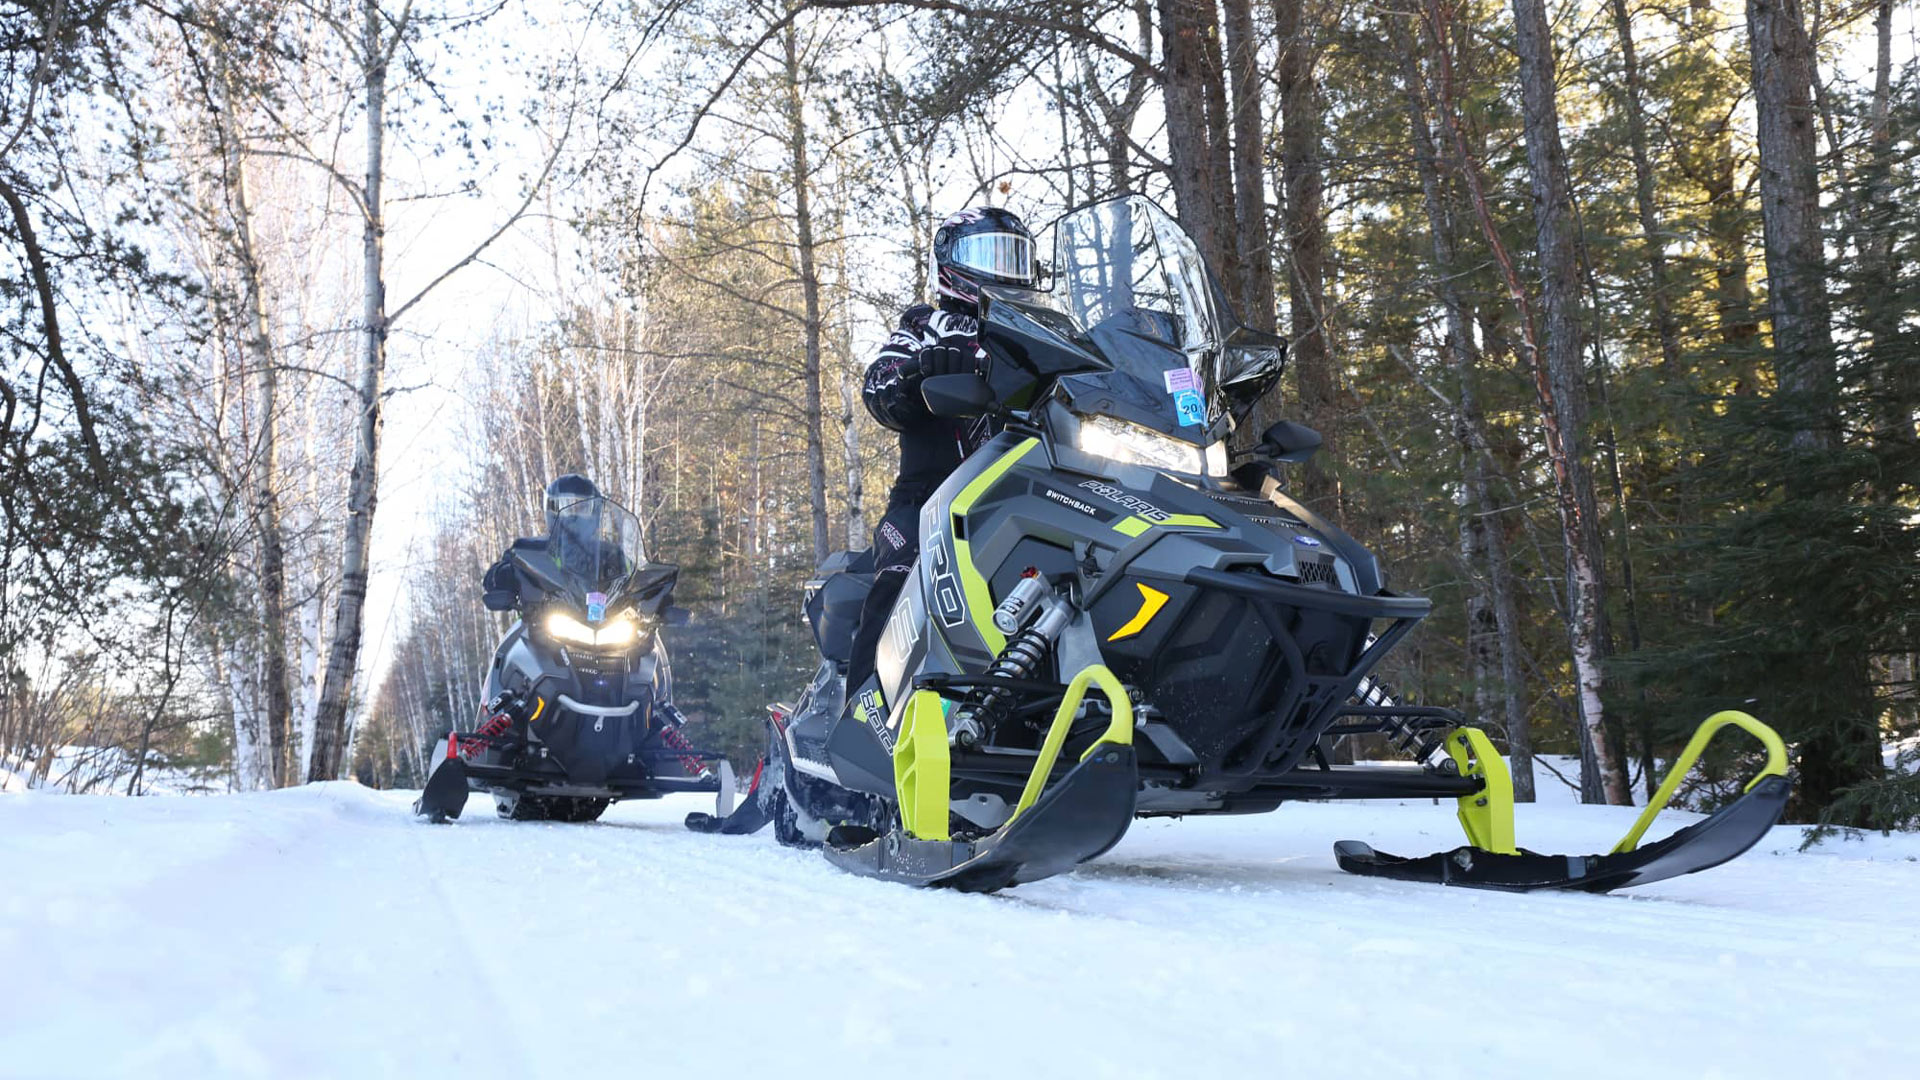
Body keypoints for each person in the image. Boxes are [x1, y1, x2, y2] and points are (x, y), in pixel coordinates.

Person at [844, 207, 1038, 694]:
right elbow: (878, 384)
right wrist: (913, 377)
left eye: (1014, 255)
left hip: (1028, 490)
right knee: (903, 565)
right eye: (989, 253)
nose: (1002, 267)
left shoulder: (1042, 333)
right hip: (929, 499)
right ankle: (860, 716)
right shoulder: (925, 326)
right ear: (950, 263)